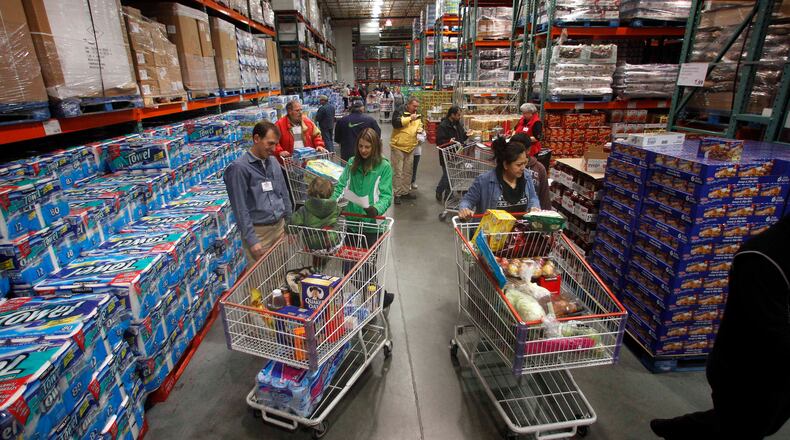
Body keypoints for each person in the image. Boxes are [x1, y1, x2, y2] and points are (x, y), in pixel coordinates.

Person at [650, 215, 790, 440]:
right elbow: (769, 337)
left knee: (754, 423)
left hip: (774, 376)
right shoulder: (762, 258)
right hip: (746, 372)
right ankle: (679, 429)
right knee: (745, 425)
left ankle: (677, 428)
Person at [331, 127, 394, 307]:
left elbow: (386, 196)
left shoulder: (384, 167)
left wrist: (377, 208)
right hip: (352, 223)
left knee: (366, 267)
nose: (363, 150)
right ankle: (380, 296)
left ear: (375, 147)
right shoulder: (352, 163)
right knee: (348, 267)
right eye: (360, 146)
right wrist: (330, 203)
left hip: (373, 226)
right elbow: (340, 186)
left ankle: (374, 300)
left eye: (368, 147)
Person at [224, 121, 293, 263]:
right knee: (260, 281)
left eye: (275, 144)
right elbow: (240, 207)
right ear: (256, 139)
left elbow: (284, 194)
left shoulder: (273, 162)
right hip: (259, 233)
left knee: (280, 274)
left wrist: (289, 224)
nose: (273, 148)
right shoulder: (239, 168)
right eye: (270, 143)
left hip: (280, 228)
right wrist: (251, 239)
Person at [458, 136, 540, 219]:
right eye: (518, 165)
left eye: (524, 163)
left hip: (519, 230)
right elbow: (468, 200)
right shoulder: (484, 181)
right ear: (505, 165)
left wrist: (534, 206)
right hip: (491, 231)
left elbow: (533, 197)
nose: (523, 168)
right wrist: (465, 209)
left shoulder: (526, 176)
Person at [289, 176, 341, 253]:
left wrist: (290, 231)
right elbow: (338, 213)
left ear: (310, 190)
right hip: (333, 244)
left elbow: (293, 222)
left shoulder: (304, 209)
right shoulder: (335, 207)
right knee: (337, 232)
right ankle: (321, 262)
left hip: (313, 246)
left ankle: (318, 263)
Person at [390, 97, 424, 204]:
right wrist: (410, 118)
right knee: (398, 172)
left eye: (417, 106)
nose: (415, 108)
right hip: (398, 147)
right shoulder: (399, 111)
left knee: (408, 171)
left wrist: (420, 130)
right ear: (408, 104)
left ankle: (405, 192)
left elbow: (420, 124)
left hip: (411, 147)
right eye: (414, 106)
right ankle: (397, 194)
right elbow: (396, 123)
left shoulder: (417, 114)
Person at [509, 132, 551, 210]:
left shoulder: (539, 168)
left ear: (528, 150)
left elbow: (544, 195)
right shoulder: (506, 168)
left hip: (530, 214)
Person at [435, 105, 468, 202]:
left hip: (457, 153)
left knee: (452, 175)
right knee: (448, 175)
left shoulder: (457, 124)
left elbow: (461, 137)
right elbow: (439, 141)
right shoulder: (443, 126)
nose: (459, 117)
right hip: (447, 155)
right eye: (458, 115)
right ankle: (439, 190)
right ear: (452, 115)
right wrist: (449, 141)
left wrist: (466, 135)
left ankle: (448, 195)